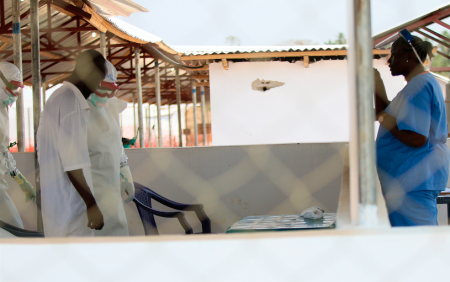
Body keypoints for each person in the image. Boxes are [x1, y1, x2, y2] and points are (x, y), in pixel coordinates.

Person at [375, 30, 450, 227]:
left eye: (395, 55)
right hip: (409, 178)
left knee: (416, 241)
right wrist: (375, 84)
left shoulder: (419, 86)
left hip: (413, 178)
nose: (389, 61)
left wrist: (383, 117)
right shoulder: (419, 84)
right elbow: (386, 114)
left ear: (409, 57)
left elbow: (417, 138)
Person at [37, 50, 106, 237]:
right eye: (99, 78)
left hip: (57, 205)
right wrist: (91, 204)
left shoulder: (56, 97)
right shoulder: (72, 102)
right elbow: (72, 162)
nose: (98, 86)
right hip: (71, 208)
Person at [87, 60, 135, 236]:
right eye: (103, 89)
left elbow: (116, 146)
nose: (107, 94)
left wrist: (125, 172)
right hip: (88, 191)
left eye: (111, 89)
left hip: (111, 189)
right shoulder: (78, 111)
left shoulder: (111, 109)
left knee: (117, 233)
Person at [0, 62, 36, 228]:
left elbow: (3, 151)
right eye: (14, 89)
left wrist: (20, 179)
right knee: (15, 230)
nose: (15, 95)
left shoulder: (2, 110)